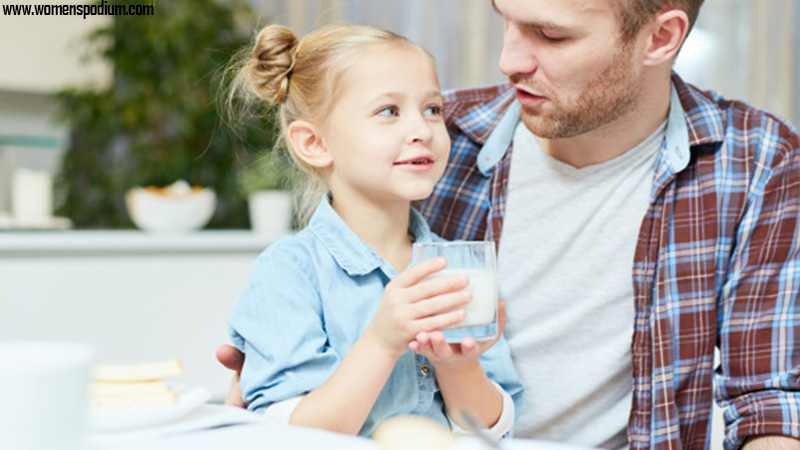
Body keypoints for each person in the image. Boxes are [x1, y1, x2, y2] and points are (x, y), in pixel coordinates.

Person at [220, 0, 800, 448]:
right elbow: (288, 411)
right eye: (505, 18)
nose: (508, 62)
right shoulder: (424, 149)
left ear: (661, 36)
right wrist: (264, 410)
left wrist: (460, 364)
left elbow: (772, 402)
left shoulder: (757, 164)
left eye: (550, 34)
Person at [223, 23, 523, 439]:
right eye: (389, 111)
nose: (423, 130)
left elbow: (494, 433)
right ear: (314, 143)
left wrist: (458, 366)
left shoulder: (459, 269)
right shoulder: (289, 273)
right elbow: (290, 437)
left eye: (433, 109)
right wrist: (383, 342)